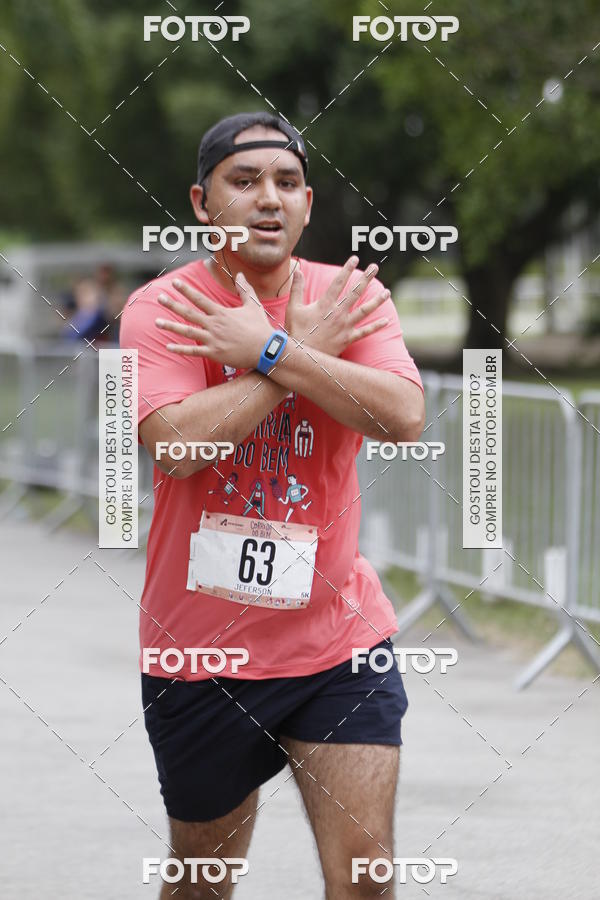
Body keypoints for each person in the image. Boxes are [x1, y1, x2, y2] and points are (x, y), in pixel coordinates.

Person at [120, 111, 425, 899]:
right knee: (203, 884)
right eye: (245, 181)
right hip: (199, 652)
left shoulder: (350, 298)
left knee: (365, 880)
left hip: (337, 643)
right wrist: (293, 359)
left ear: (308, 203)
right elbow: (178, 444)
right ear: (201, 201)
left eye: (286, 183)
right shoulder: (162, 310)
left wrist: (275, 348)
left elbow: (401, 416)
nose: (268, 200)